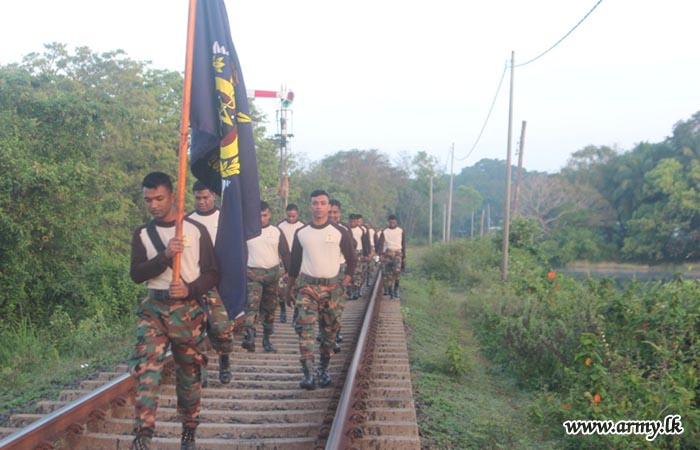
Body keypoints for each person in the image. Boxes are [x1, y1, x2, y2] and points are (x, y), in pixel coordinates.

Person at [128, 172, 218, 450]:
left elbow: (213, 273)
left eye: (159, 198)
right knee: (146, 369)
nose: (154, 205)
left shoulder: (194, 230)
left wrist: (190, 290)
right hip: (154, 309)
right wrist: (164, 257)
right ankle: (143, 434)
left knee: (188, 373)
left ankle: (189, 429)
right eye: (148, 200)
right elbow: (137, 274)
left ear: (172, 196)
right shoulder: (143, 233)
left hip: (187, 311)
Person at [286, 190, 356, 390]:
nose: (319, 207)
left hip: (333, 288)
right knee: (305, 330)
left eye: (322, 203)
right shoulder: (302, 233)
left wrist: (346, 281)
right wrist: (289, 289)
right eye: (315, 203)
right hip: (307, 287)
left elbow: (352, 260)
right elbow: (294, 264)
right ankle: (308, 373)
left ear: (328, 206)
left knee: (329, 333)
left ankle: (323, 369)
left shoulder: (339, 232)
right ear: (310, 206)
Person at [186, 180, 235, 386]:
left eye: (206, 197)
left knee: (221, 328)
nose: (202, 202)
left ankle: (224, 360)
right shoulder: (187, 221)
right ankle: (201, 371)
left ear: (213, 195)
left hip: (221, 281)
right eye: (198, 198)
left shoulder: (225, 218)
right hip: (195, 281)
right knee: (194, 330)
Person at [242, 201, 291, 353]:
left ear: (269, 215)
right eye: (258, 216)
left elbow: (285, 252)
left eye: (264, 215)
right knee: (251, 305)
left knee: (270, 308)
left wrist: (289, 271)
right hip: (252, 274)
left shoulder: (276, 231)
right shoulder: (246, 231)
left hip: (272, 275)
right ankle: (249, 335)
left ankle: (267, 340)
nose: (261, 218)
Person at [276, 203, 305, 323]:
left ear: (297, 214)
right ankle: (283, 310)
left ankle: (296, 313)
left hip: (299, 260)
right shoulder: (280, 226)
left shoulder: (303, 226)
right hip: (283, 259)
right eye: (289, 216)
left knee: (298, 287)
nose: (291, 218)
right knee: (282, 288)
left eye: (293, 216)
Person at [377, 214, 405, 299]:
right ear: (388, 222)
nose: (392, 223)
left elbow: (403, 243)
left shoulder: (400, 231)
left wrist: (404, 256)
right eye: (390, 222)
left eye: (393, 222)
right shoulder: (385, 232)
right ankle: (389, 289)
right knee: (387, 273)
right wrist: (380, 254)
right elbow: (381, 244)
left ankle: (396, 288)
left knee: (397, 271)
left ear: (396, 222)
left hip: (398, 253)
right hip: (388, 253)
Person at [348, 214, 370, 300]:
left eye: (355, 221)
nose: (353, 223)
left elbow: (365, 243)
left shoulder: (361, 230)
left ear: (357, 222)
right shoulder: (346, 229)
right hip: (349, 253)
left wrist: (367, 254)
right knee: (349, 273)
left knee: (358, 273)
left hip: (359, 253)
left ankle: (357, 290)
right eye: (351, 221)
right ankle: (350, 292)